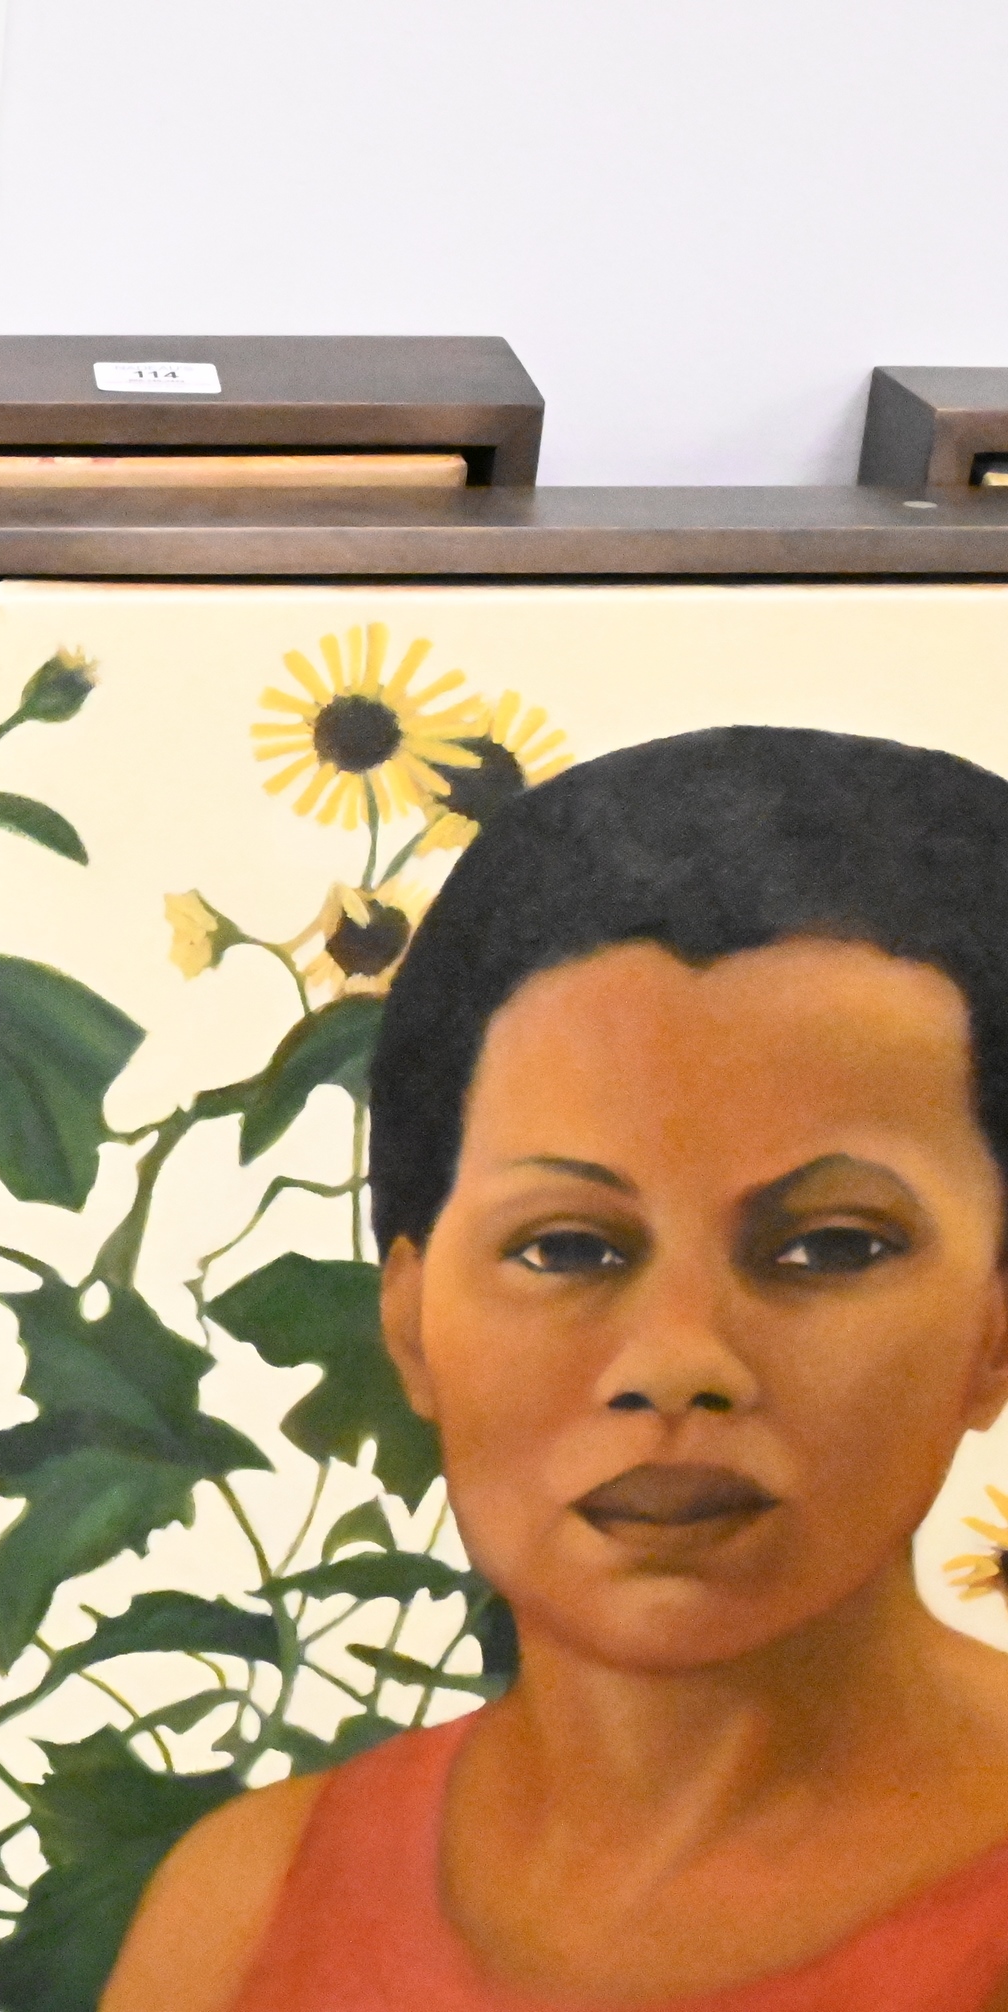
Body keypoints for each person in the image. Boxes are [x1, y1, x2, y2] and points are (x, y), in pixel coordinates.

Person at [104, 726, 1008, 2010]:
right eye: (569, 1246)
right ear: (411, 1320)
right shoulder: (239, 1908)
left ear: (995, 1327)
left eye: (829, 1246)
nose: (680, 1361)